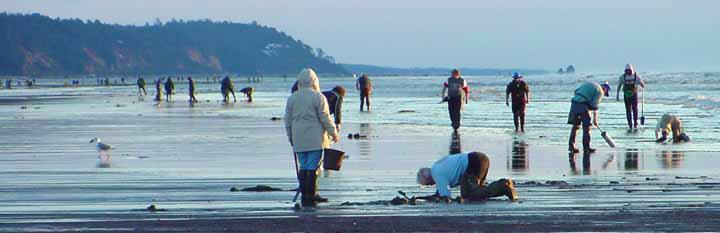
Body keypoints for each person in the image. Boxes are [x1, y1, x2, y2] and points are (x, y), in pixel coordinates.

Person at [284, 68, 339, 207]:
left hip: (298, 138)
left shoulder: (292, 98)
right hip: (315, 138)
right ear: (314, 80)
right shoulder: (318, 97)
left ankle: (305, 194)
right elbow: (325, 117)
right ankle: (312, 194)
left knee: (304, 165)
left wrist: (290, 137)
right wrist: (333, 133)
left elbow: (288, 121)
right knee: (313, 166)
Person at [416, 152, 518, 202]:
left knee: (470, 193)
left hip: (473, 162)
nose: (432, 184)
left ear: (427, 177)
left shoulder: (437, 174)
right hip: (480, 158)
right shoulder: (436, 167)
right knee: (478, 190)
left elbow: (445, 196)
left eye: (429, 183)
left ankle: (503, 186)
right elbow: (440, 192)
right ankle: (502, 186)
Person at [568, 81, 604, 154]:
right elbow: (594, 106)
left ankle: (571, 146)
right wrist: (595, 120)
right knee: (586, 128)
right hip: (582, 105)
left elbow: (576, 91)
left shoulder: (590, 84)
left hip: (574, 103)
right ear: (605, 89)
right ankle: (586, 148)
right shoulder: (600, 91)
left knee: (575, 127)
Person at [616, 64, 646, 130]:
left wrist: (641, 84)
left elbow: (643, 84)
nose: (627, 72)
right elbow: (619, 86)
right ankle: (630, 124)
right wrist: (617, 95)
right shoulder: (622, 77)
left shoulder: (636, 77)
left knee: (635, 109)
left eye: (628, 70)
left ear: (631, 70)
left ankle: (635, 123)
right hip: (626, 96)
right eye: (626, 71)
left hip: (634, 95)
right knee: (628, 110)